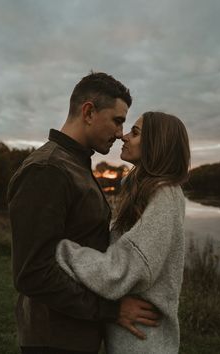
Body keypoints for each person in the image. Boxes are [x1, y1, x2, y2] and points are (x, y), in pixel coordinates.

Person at [7, 73, 159, 354]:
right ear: (89, 112)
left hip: (76, 335)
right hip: (54, 340)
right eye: (117, 120)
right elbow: (32, 273)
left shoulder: (75, 163)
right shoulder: (48, 169)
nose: (119, 133)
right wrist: (112, 309)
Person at [56, 111, 191, 354]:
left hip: (145, 342)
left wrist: (63, 250)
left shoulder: (166, 195)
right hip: (131, 339)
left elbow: (122, 270)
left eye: (135, 133)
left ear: (156, 144)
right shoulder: (142, 190)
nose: (124, 137)